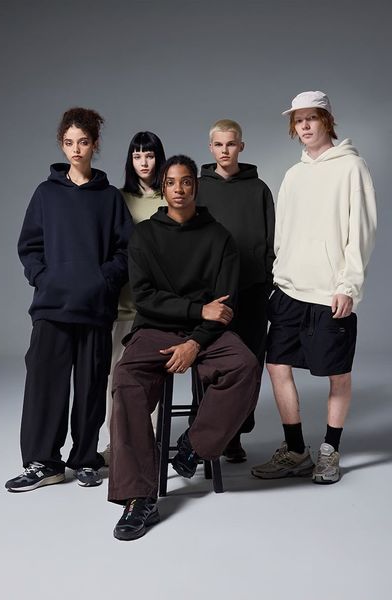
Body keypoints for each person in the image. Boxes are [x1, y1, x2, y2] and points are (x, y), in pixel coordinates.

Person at [109, 155, 260, 540]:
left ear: (197, 186)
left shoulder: (219, 237)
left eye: (187, 181)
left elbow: (225, 305)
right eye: (172, 182)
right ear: (163, 188)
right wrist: (196, 310)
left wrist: (195, 341)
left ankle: (194, 443)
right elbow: (145, 298)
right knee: (125, 379)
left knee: (244, 364)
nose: (179, 189)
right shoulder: (144, 235)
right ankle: (139, 497)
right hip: (155, 329)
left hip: (206, 333)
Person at [251, 91, 377, 484]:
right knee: (276, 366)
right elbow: (283, 232)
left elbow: (362, 231)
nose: (305, 125)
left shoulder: (352, 167)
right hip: (291, 290)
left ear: (327, 121)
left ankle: (329, 451)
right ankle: (295, 451)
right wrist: (280, 276)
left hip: (330, 291)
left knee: (338, 372)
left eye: (312, 118)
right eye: (298, 120)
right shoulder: (294, 174)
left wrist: (348, 286)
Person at [5, 107, 133, 492]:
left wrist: (102, 281)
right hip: (52, 306)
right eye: (69, 142)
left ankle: (85, 459)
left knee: (91, 387)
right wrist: (43, 279)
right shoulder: (46, 194)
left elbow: (126, 251)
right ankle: (44, 463)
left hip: (94, 307)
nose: (76, 149)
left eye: (83, 142)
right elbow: (30, 247)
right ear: (62, 145)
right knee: (45, 386)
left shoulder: (109, 198)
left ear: (95, 144)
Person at [197, 119, 275, 462]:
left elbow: (271, 241)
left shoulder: (258, 189)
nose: (225, 150)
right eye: (219, 144)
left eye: (231, 144)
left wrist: (267, 281)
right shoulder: (199, 188)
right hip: (211, 293)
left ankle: (235, 434)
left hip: (253, 289)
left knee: (250, 362)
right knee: (209, 361)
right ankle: (206, 434)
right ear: (210, 148)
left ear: (241, 146)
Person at [100, 131, 166, 466]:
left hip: (156, 306)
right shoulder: (118, 199)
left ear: (158, 158)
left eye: (149, 155)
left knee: (149, 379)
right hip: (122, 303)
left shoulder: (170, 197)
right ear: (130, 160)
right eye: (137, 156)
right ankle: (116, 444)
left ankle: (147, 444)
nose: (144, 162)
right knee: (116, 377)